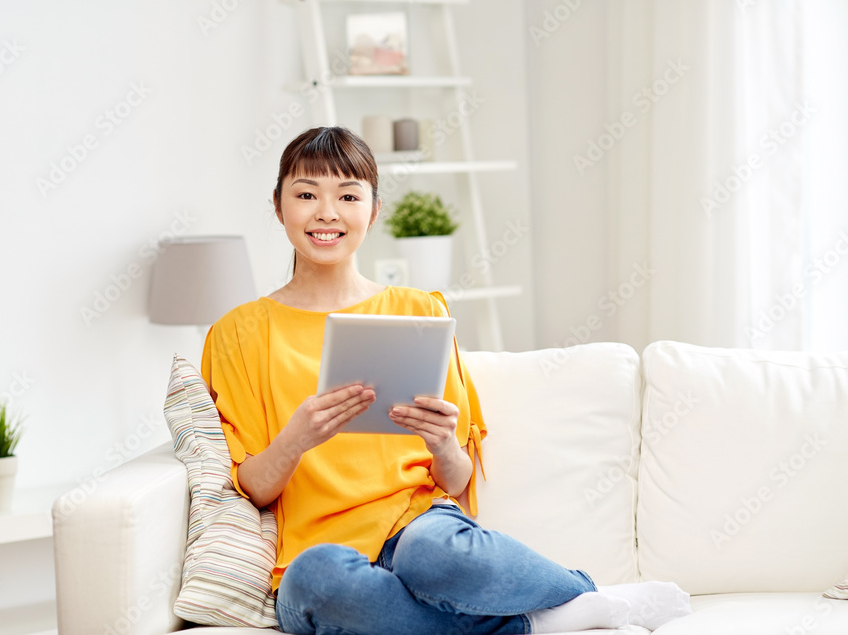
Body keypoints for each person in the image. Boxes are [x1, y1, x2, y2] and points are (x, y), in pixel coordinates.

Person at [201, 126, 691, 634]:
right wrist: (296, 439)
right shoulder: (237, 333)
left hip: (420, 528)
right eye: (306, 195)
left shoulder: (419, 311)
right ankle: (541, 621)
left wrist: (440, 440)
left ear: (374, 209)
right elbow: (252, 488)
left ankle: (578, 592)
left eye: (348, 195)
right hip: (321, 559)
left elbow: (456, 479)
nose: (327, 212)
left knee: (431, 552)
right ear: (279, 206)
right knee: (317, 580)